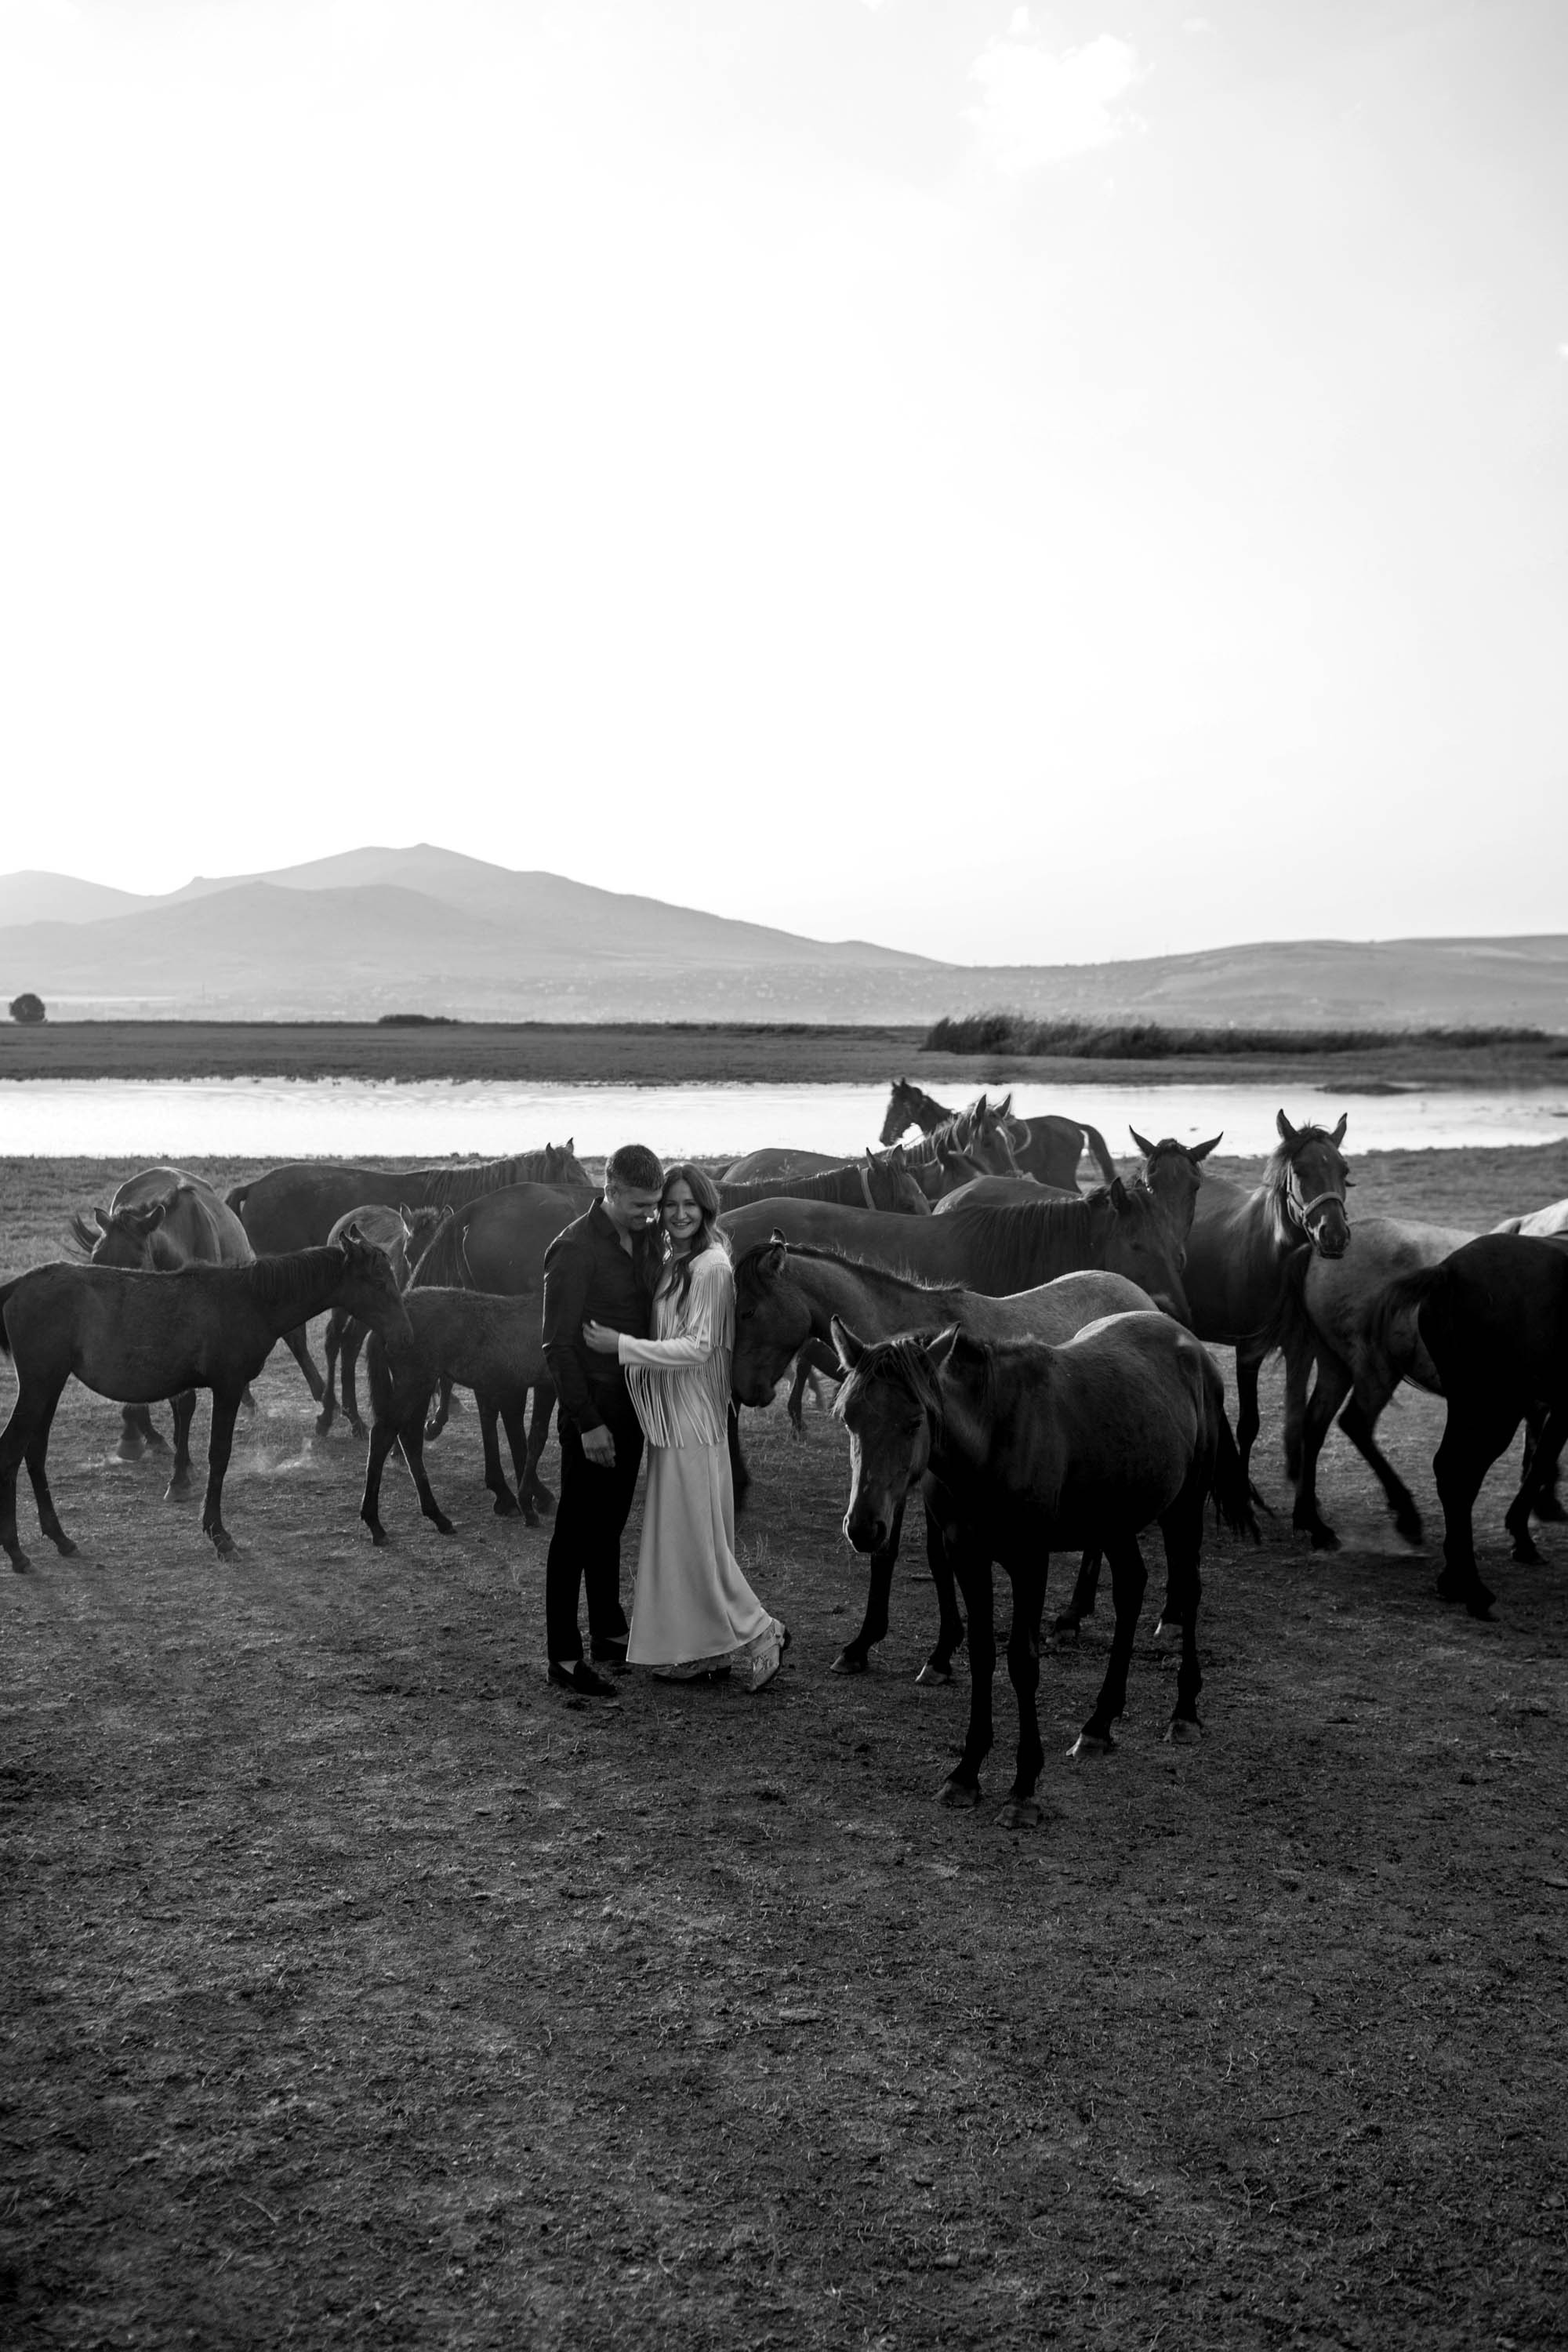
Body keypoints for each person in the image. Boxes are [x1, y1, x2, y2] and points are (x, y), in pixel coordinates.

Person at [584, 1163, 786, 1693]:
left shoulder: (713, 1268)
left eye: (688, 1205)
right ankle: (707, 1649)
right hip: (672, 1419)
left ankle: (762, 1631)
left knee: (699, 1542)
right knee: (682, 1539)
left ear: (706, 1209)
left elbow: (700, 1347)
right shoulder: (678, 1260)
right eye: (669, 1205)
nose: (676, 1214)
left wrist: (621, 1347)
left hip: (694, 1419)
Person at [539, 1142, 666, 1698]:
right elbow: (556, 1347)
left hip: (633, 1403)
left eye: (653, 1206)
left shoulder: (643, 1238)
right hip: (592, 1410)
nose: (648, 1215)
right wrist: (588, 1423)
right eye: (639, 1205)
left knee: (610, 1525)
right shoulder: (572, 1251)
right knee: (573, 1535)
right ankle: (564, 1658)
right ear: (610, 1190)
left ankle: (610, 1633)